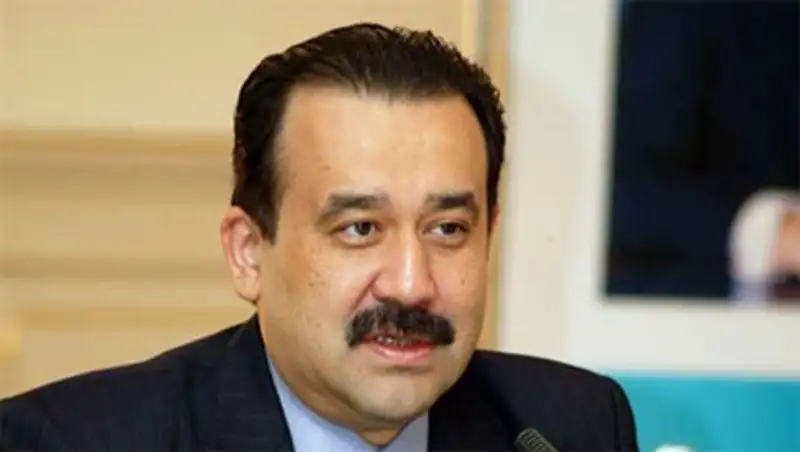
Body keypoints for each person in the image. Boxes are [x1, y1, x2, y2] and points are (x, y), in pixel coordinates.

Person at [0, 23, 638, 451]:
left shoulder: (567, 428)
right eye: (360, 229)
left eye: (447, 229)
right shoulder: (72, 440)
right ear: (248, 252)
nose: (411, 285)